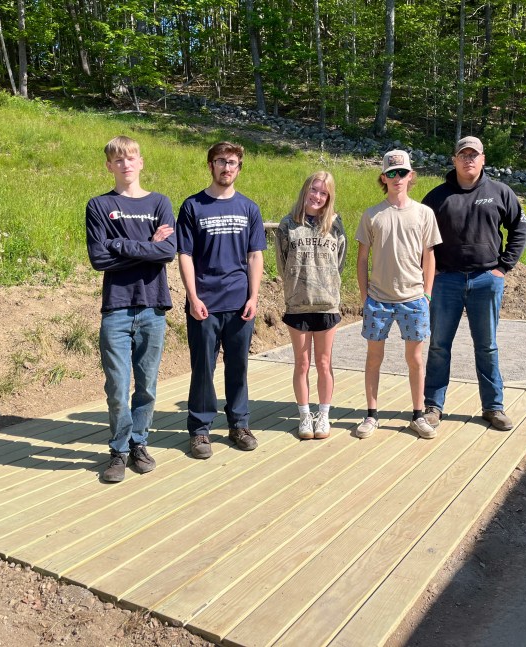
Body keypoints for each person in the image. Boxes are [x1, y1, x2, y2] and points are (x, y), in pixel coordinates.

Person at [85, 135, 177, 483]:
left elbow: (167, 251)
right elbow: (99, 257)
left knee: (148, 385)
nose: (125, 164)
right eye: (118, 160)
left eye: (131, 158)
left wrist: (120, 244)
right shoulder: (98, 205)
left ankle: (139, 443)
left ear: (141, 162)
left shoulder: (160, 203)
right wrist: (145, 245)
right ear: (110, 166)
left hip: (153, 306)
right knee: (118, 386)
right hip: (117, 308)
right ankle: (119, 450)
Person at [422, 136, 526, 431]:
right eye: (462, 154)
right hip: (447, 282)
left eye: (474, 154)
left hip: (486, 281)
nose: (468, 159)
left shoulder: (500, 193)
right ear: (454, 160)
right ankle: (433, 406)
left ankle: (493, 407)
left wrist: (503, 267)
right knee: (439, 346)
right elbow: (421, 240)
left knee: (487, 347)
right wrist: (432, 275)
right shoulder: (436, 198)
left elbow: (519, 229)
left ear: (483, 159)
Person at [177, 141, 267, 459]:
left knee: (238, 366)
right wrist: (192, 296)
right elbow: (184, 255)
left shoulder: (248, 208)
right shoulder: (193, 206)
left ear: (239, 168)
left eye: (232, 162)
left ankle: (239, 424)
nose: (226, 167)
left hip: (240, 302)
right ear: (210, 165)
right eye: (220, 161)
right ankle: (200, 430)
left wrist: (254, 296)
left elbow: (255, 256)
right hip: (205, 302)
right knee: (203, 367)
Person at [355, 150, 442, 440]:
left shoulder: (424, 213)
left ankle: (418, 415)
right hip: (378, 300)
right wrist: (365, 295)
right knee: (373, 358)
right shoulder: (371, 214)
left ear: (411, 176)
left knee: (415, 359)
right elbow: (361, 258)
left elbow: (429, 257)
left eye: (402, 173)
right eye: (391, 173)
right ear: (383, 177)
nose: (397, 178)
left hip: (414, 299)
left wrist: (427, 294)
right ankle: (371, 414)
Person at [275, 171, 347, 440]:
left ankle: (323, 414)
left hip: (327, 304)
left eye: (323, 192)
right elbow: (283, 264)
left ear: (329, 197)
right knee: (302, 363)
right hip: (298, 304)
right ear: (305, 191)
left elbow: (340, 262)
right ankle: (305, 415)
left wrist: (325, 285)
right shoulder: (287, 225)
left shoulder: (335, 225)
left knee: (324, 362)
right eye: (314, 190)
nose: (317, 196)